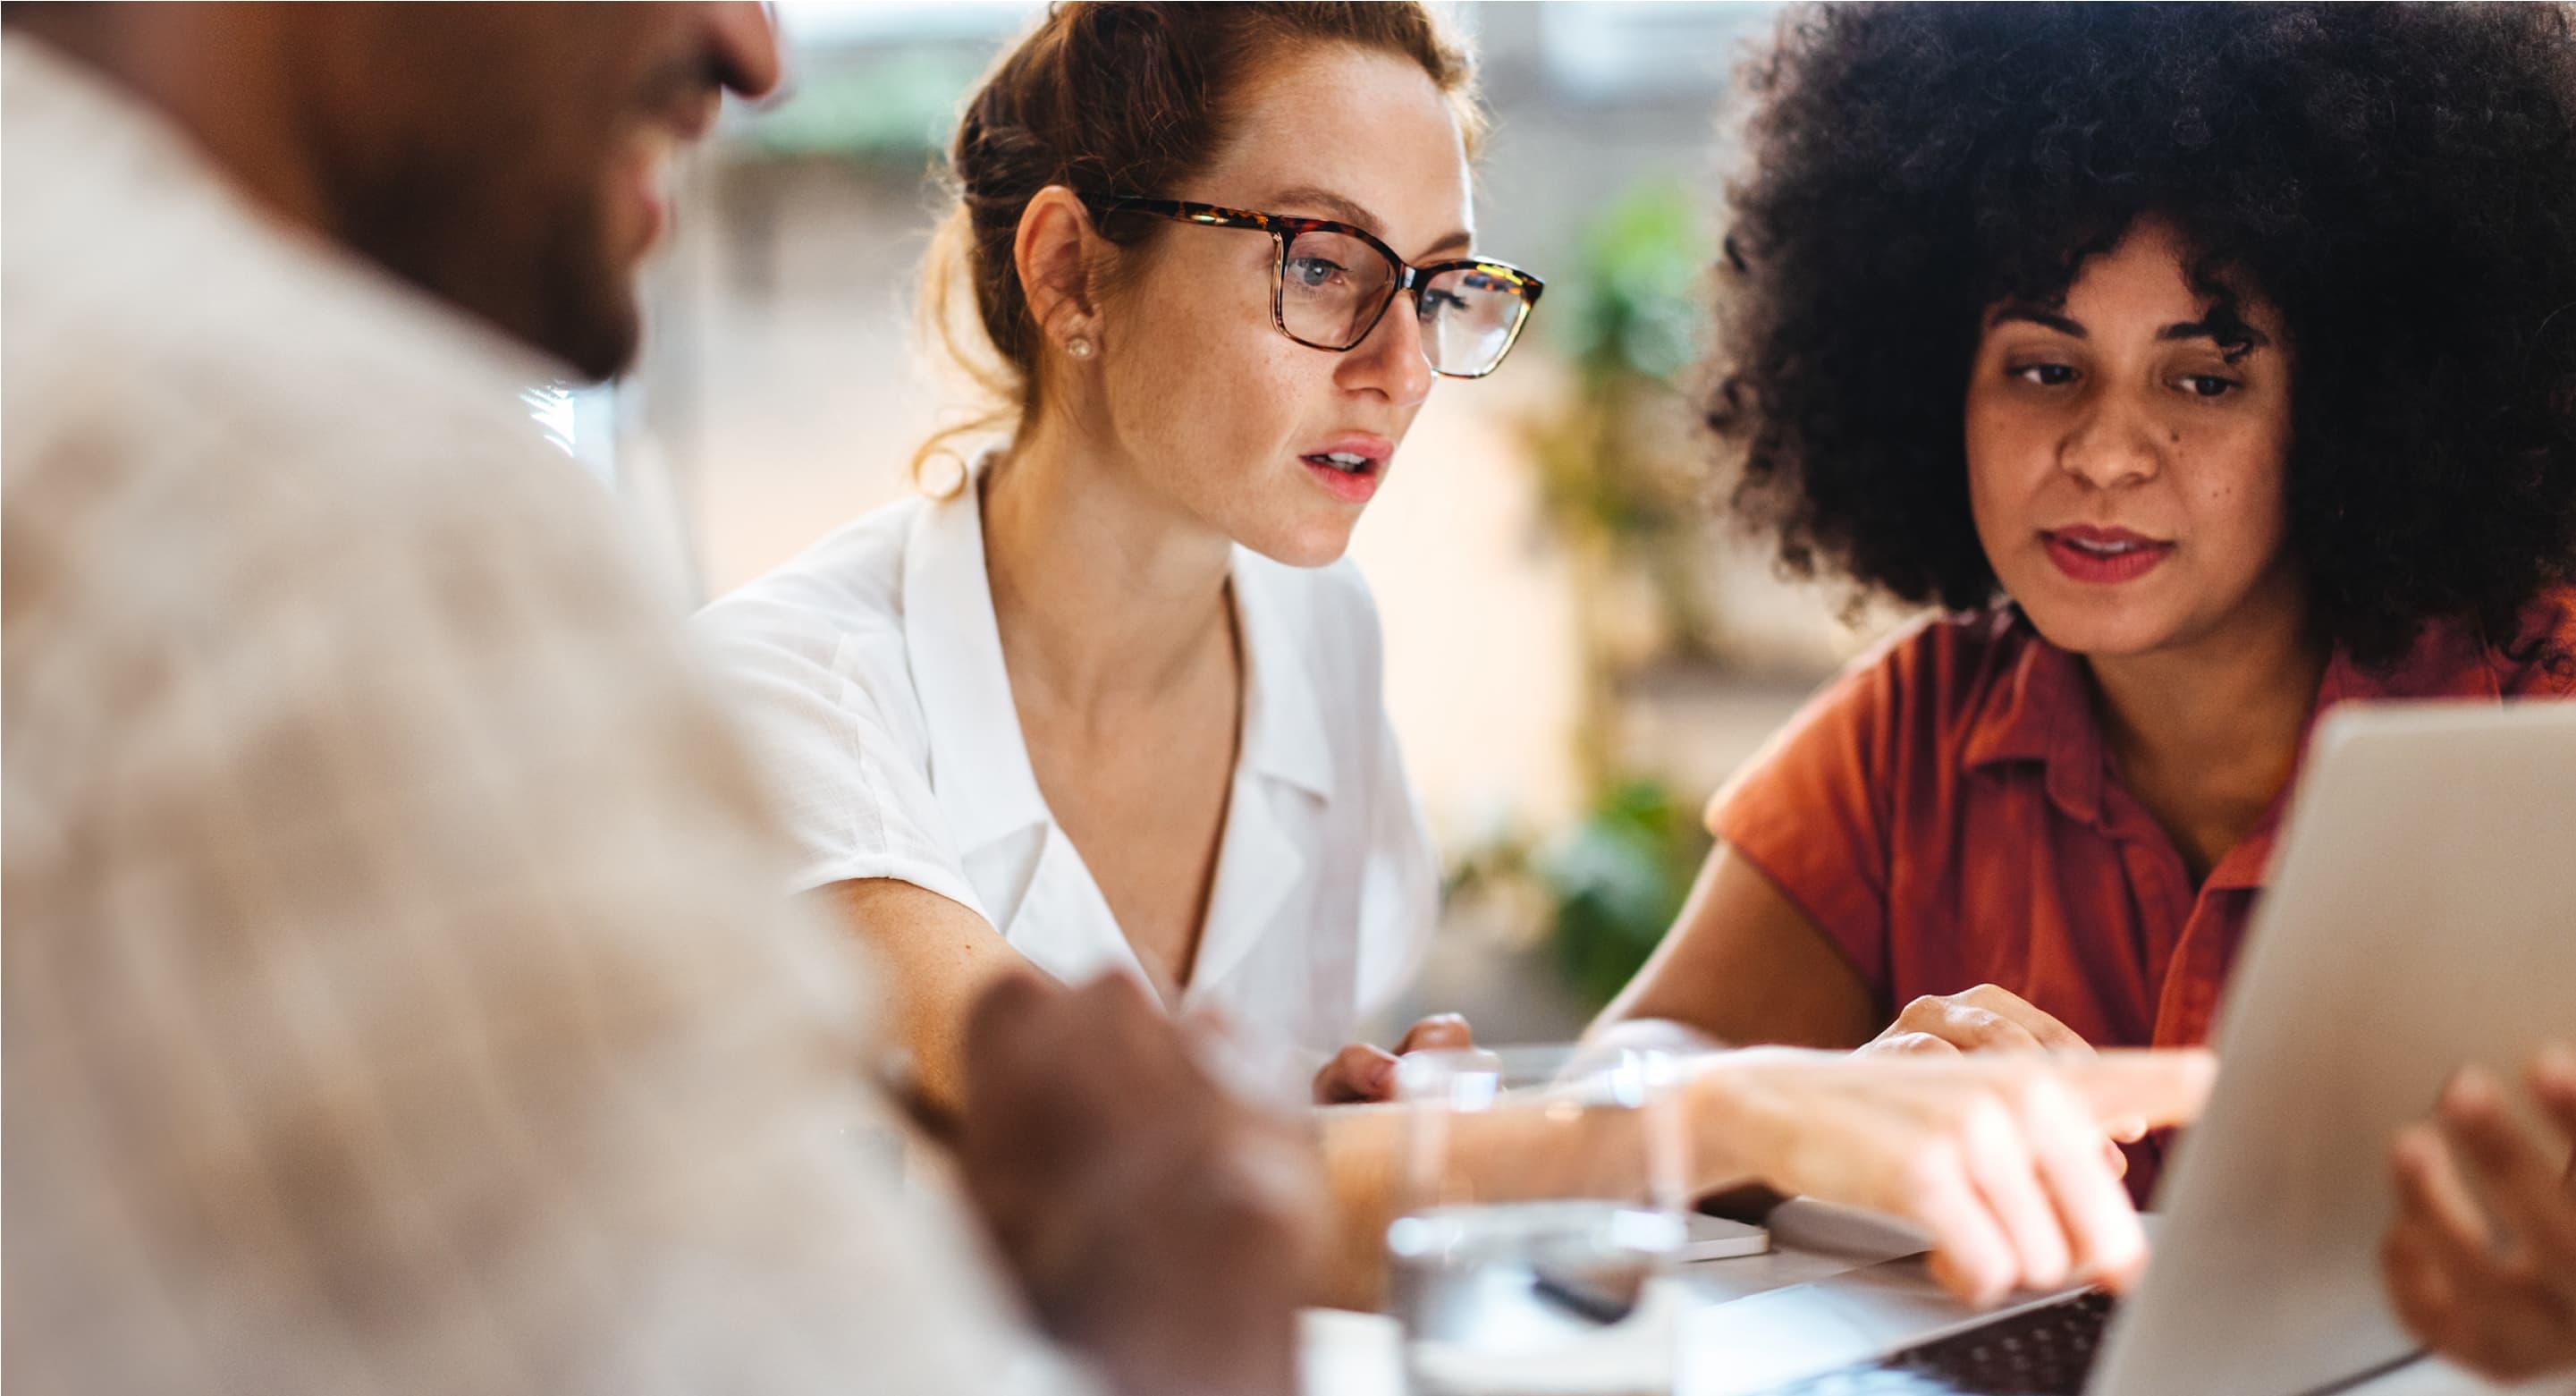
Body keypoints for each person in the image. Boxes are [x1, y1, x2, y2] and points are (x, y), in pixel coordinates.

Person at [1, 6, 1325, 1394]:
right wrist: (1184, 1307)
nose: (756, 52)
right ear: (1068, 276)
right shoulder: (311, 501)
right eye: (1317, 262)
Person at [1589, 0, 2576, 1375]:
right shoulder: (1914, 731)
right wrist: (1802, 1107)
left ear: (2349, 409)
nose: (2106, 450)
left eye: (2204, 376)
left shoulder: (2543, 703)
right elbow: (1615, 1077)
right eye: (2044, 368)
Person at [695, 2, 1523, 1110]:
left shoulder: (1323, 635)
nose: (1404, 367)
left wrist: (1349, 1110)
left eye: (1435, 286)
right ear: (1072, 272)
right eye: (1324, 264)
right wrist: (1694, 1114)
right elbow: (1103, 1147)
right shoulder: (776, 695)